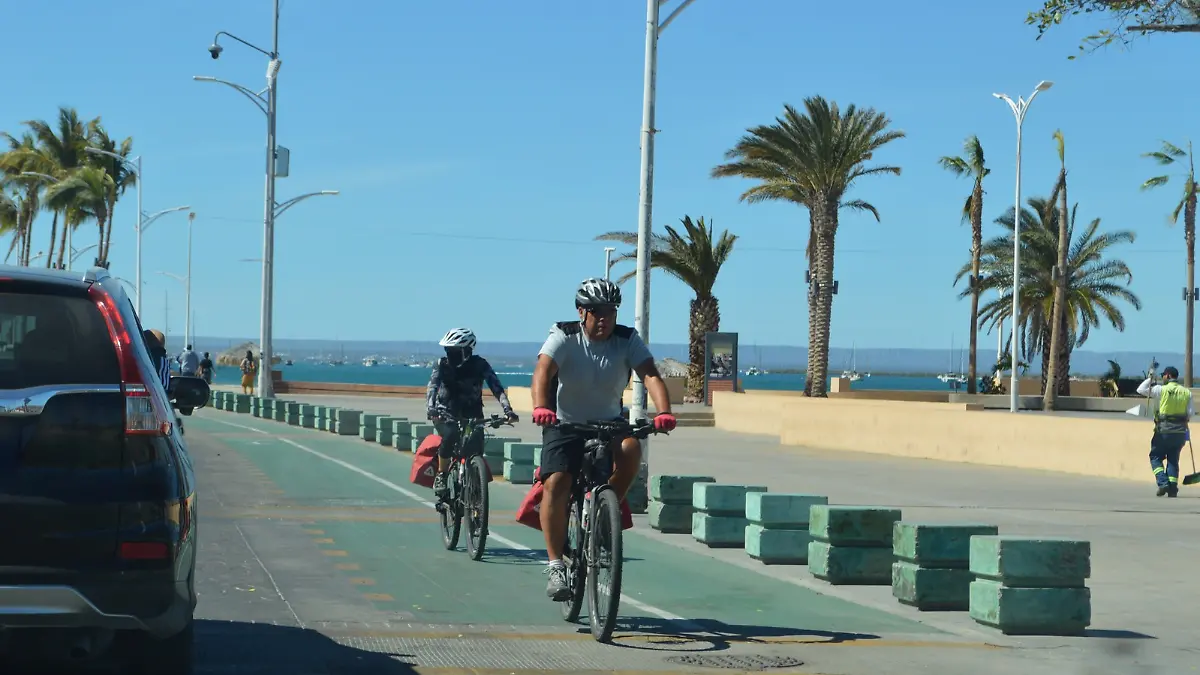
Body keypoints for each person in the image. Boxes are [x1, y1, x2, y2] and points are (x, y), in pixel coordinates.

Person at [530, 278, 676, 601]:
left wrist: (663, 411)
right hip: (564, 423)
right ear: (582, 312)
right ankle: (555, 565)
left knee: (631, 448)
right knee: (557, 481)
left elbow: (649, 373)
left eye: (610, 311)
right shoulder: (564, 335)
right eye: (597, 312)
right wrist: (541, 407)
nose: (605, 319)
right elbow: (542, 371)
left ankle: (604, 513)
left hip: (608, 424)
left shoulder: (626, 339)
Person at [426, 328, 519, 499]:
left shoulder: (480, 365)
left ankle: (476, 493)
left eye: (454, 351)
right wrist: (430, 408)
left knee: (475, 445)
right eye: (448, 350)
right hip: (444, 413)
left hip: (473, 413)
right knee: (451, 434)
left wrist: (508, 410)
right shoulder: (442, 364)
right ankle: (442, 475)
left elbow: (496, 388)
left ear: (466, 351)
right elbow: (432, 387)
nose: (450, 354)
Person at [1137, 365, 1194, 498]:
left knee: (1155, 457)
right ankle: (1173, 488)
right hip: (1180, 432)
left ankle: (1163, 483)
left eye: (1163, 375)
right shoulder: (1187, 392)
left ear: (1168, 376)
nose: (1163, 377)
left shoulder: (1160, 390)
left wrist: (1151, 378)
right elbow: (1190, 413)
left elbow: (1141, 389)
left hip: (1163, 431)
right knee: (1173, 459)